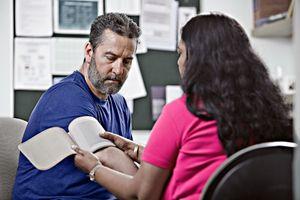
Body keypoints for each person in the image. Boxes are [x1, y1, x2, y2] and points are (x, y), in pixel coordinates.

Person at [73, 13, 293, 200]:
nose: (178, 62)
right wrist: (141, 152)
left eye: (181, 53)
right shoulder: (265, 111)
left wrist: (94, 168)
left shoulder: (182, 112)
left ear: (197, 60)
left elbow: (141, 193)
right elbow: (205, 164)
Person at [13, 13, 141, 199]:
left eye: (127, 61)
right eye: (110, 57)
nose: (118, 70)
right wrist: (152, 191)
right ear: (89, 52)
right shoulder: (66, 96)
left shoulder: (119, 104)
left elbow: (128, 167)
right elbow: (108, 155)